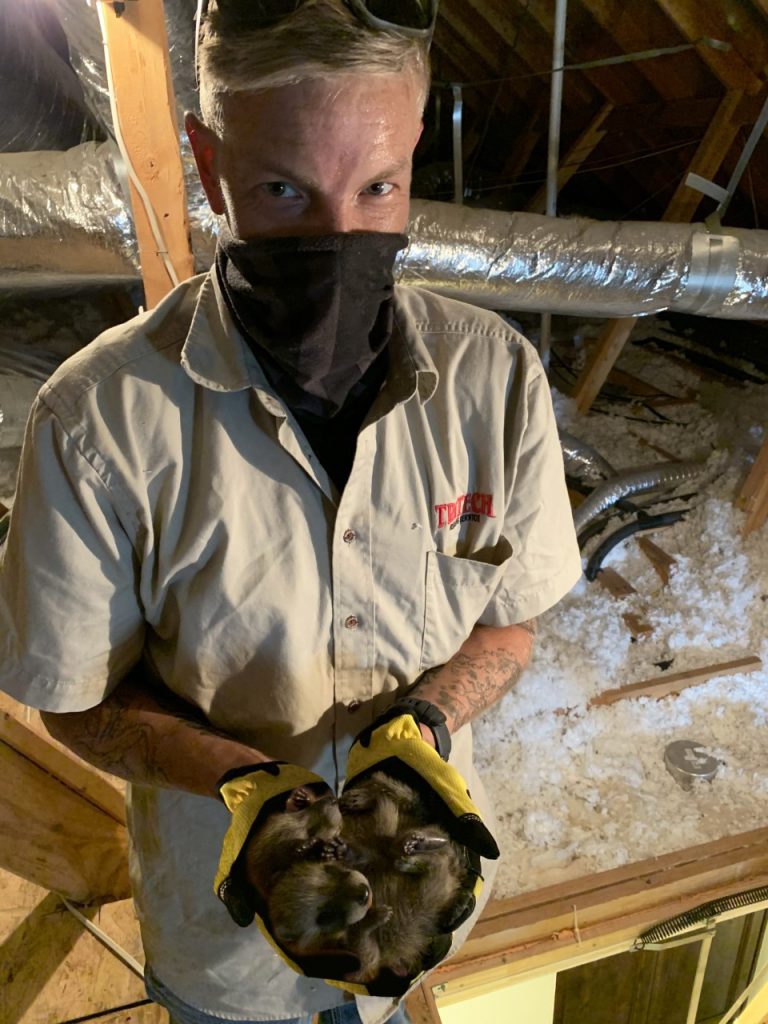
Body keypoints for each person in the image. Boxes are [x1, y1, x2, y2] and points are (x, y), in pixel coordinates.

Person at [0, 2, 581, 1023]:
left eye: (378, 188)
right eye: (283, 190)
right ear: (209, 164)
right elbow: (74, 698)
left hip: (426, 903)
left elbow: (510, 619)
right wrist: (240, 780)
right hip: (223, 949)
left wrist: (429, 716)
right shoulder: (99, 424)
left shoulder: (496, 382)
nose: (340, 237)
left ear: (413, 149)